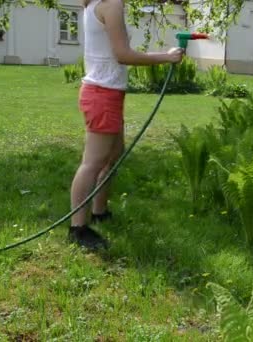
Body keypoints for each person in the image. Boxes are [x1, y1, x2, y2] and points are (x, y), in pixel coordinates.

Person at [69, 0, 183, 250]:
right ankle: (78, 229)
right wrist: (167, 57)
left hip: (106, 92)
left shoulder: (98, 3)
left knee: (112, 157)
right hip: (101, 93)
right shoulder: (110, 4)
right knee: (93, 162)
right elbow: (123, 55)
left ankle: (99, 212)